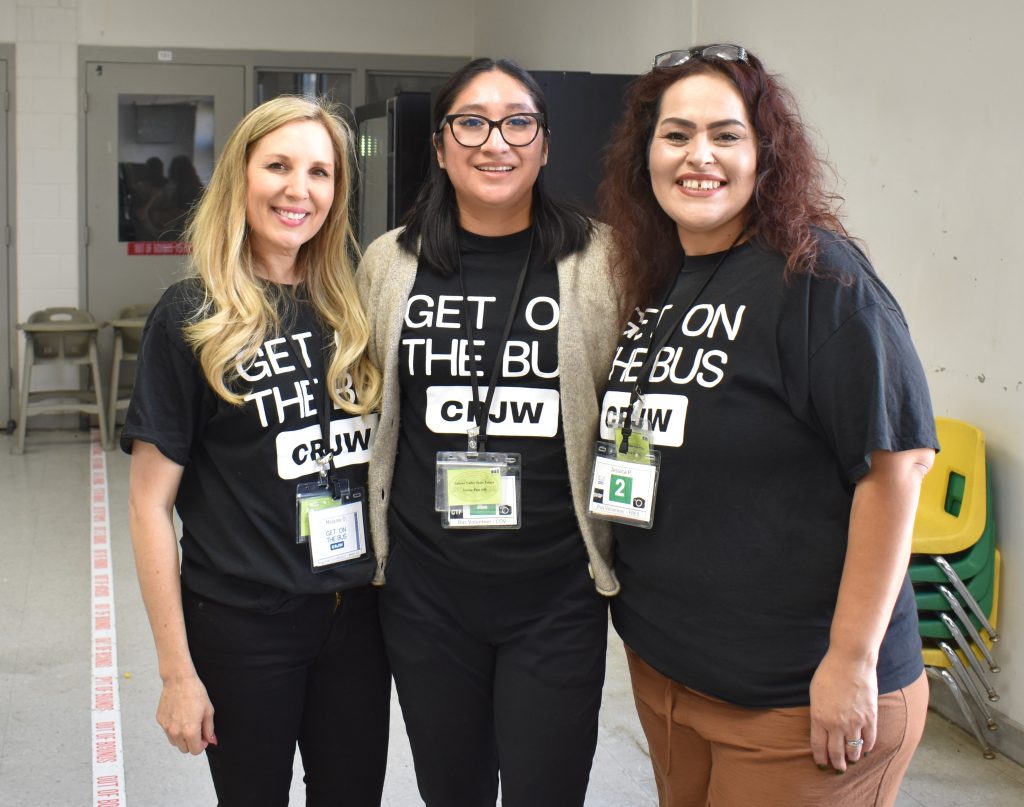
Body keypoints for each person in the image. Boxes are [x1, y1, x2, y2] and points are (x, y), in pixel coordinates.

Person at [597, 44, 938, 807]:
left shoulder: (818, 277)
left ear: (765, 153)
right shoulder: (662, 278)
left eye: (726, 134)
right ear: (645, 154)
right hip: (672, 675)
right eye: (676, 134)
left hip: (796, 700)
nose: (699, 157)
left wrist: (850, 662)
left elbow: (897, 465)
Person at [357, 58, 618, 807]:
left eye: (517, 122)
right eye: (470, 122)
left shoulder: (600, 262)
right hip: (426, 593)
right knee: (453, 789)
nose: (493, 141)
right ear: (440, 146)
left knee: (547, 789)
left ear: (543, 144)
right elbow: (368, 400)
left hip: (557, 594)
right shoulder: (389, 262)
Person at [123, 96, 390, 807]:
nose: (299, 189)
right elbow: (150, 505)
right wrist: (177, 673)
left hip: (357, 617)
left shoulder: (356, 307)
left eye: (320, 172)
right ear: (240, 177)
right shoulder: (190, 316)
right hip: (242, 622)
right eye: (278, 165)